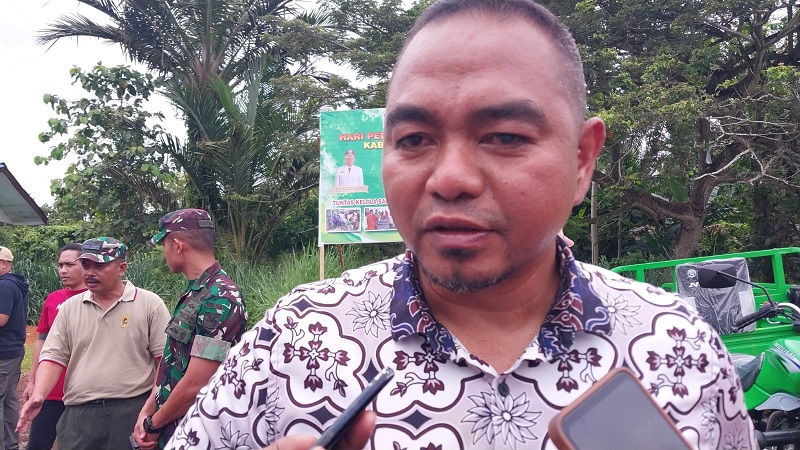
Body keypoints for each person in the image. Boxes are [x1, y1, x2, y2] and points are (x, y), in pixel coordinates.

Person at [169, 1, 757, 449]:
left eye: (504, 136)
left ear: (582, 160)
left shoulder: (678, 345)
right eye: (414, 139)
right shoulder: (296, 340)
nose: (449, 178)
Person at [17, 237, 170, 450]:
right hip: (79, 413)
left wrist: (149, 410)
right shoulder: (70, 308)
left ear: (121, 268)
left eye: (99, 266)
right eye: (86, 265)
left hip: (131, 410)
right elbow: (53, 357)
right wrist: (39, 394)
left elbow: (164, 362)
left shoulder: (149, 304)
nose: (90, 272)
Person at [134, 209, 248, 449]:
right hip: (173, 427)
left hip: (198, 433)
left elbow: (198, 381)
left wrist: (153, 424)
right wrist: (147, 410)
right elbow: (172, 359)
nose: (164, 252)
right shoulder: (197, 291)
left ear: (178, 245)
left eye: (164, 245)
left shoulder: (220, 297)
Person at [22, 243, 87, 450]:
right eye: (60, 265)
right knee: (37, 444)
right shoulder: (54, 298)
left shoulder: (96, 298)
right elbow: (42, 340)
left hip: (83, 393)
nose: (63, 270)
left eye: (69, 265)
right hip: (50, 390)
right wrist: (33, 381)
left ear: (85, 265)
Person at [0, 246, 27, 450]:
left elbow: (2, 319)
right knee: (9, 399)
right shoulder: (15, 284)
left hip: (3, 352)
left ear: (3, 263)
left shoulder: (4, 287)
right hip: (13, 351)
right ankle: (11, 444)